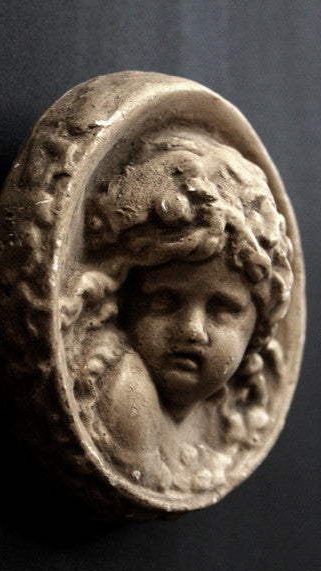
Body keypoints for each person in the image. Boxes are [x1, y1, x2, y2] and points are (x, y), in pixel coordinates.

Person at [60, 129, 293, 492]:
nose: (192, 330)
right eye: (165, 300)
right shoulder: (119, 389)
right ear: (120, 297)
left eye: (222, 309)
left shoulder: (232, 426)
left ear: (256, 333)